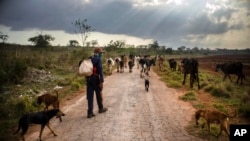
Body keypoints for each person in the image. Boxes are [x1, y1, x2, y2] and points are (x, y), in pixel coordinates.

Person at [86, 47, 108, 118]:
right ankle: (100, 108)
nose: (102, 54)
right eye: (101, 53)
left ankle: (90, 112)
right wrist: (101, 81)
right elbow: (100, 71)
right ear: (98, 53)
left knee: (90, 96)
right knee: (98, 93)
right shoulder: (98, 59)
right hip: (95, 78)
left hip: (88, 78)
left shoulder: (89, 58)